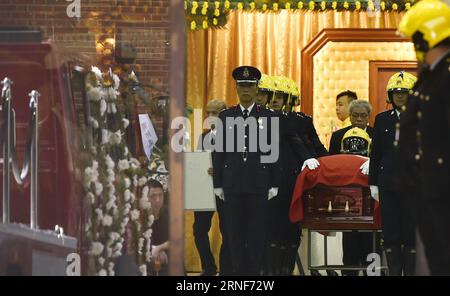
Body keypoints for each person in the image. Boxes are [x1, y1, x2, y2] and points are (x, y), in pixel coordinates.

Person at [398, 0, 450, 275]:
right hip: (426, 184)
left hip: (442, 186)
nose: (413, 46)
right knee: (436, 256)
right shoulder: (430, 75)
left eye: (415, 38)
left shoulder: (446, 75)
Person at [213, 66, 279, 275]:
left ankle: (254, 275)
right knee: (234, 235)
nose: (246, 90)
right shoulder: (225, 116)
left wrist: (274, 182)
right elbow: (219, 153)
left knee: (257, 235)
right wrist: (217, 183)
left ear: (257, 88)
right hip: (232, 185)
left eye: (250, 86)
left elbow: (274, 152)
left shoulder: (268, 117)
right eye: (242, 86)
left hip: (258, 184)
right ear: (236, 88)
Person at [369, 71, 418, 275]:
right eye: (395, 92)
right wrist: (373, 183)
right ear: (390, 95)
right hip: (387, 183)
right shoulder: (381, 120)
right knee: (390, 233)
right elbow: (376, 153)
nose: (399, 96)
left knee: (411, 233)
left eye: (404, 92)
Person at [329, 100, 375, 276]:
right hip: (346, 194)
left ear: (368, 117)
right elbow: (332, 162)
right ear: (350, 117)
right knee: (349, 239)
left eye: (363, 115)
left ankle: (373, 272)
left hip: (370, 193)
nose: (359, 119)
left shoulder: (375, 134)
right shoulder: (338, 135)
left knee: (372, 241)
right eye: (355, 115)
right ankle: (349, 272)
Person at [193, 98, 231, 276]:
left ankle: (226, 269)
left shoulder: (234, 138)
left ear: (224, 113)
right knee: (199, 229)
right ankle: (208, 267)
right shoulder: (203, 137)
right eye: (209, 112)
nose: (211, 116)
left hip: (225, 190)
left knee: (227, 230)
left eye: (215, 113)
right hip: (204, 189)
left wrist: (220, 170)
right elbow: (199, 161)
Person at [148, 179, 169, 276]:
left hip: (167, 255)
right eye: (153, 196)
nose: (157, 200)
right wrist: (152, 250)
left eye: (160, 195)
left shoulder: (169, 212)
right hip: (146, 255)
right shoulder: (140, 214)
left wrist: (160, 248)